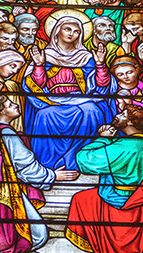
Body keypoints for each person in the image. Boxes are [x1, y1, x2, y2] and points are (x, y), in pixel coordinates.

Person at [0, 95, 79, 253]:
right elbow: (26, 167)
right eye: (10, 104)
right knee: (37, 235)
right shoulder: (5, 132)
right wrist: (54, 175)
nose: (16, 105)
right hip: (3, 192)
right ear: (1, 111)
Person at [65, 105, 143, 253]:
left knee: (82, 201)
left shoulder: (126, 146)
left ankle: (105, 252)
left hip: (122, 200)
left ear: (130, 122)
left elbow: (86, 160)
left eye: (122, 114)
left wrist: (103, 139)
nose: (117, 115)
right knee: (84, 197)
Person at [23, 16, 117, 170]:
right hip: (51, 100)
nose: (72, 33)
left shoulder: (86, 57)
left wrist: (100, 64)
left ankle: (84, 160)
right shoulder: (44, 55)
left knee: (93, 111)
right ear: (56, 31)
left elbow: (102, 86)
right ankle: (47, 165)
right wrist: (39, 65)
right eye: (67, 29)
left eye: (76, 31)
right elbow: (35, 86)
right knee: (44, 115)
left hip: (81, 99)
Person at [12, 13, 48, 83]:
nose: (30, 33)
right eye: (25, 29)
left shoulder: (43, 46)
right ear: (16, 29)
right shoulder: (8, 44)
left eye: (34, 30)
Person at [121, 12, 143, 82]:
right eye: (130, 30)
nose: (134, 33)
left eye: (136, 28)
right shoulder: (135, 42)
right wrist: (127, 44)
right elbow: (128, 66)